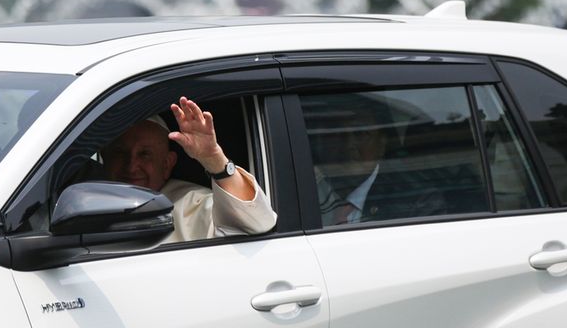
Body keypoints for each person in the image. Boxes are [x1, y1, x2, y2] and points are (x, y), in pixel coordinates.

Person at [101, 96, 277, 242]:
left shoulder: (192, 204)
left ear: (167, 164)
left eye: (145, 154)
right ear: (104, 157)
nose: (131, 166)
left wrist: (213, 159)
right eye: (119, 152)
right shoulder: (81, 198)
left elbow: (258, 224)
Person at [314, 104, 447, 226]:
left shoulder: (418, 203)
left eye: (360, 133)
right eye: (336, 134)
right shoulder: (306, 187)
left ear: (381, 145)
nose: (348, 145)